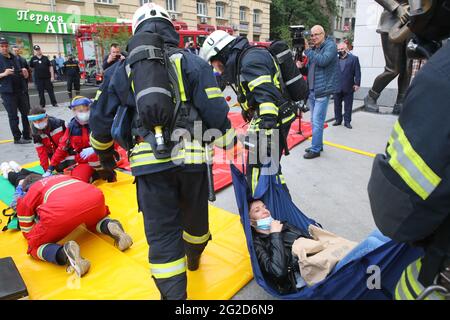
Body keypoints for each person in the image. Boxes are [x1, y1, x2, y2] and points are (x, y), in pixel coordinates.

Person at [89, 3, 237, 300]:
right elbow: (215, 109)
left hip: (148, 164)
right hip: (192, 159)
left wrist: (105, 156)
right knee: (195, 223)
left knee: (162, 234)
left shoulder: (122, 67)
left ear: (136, 31)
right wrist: (228, 142)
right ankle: (193, 256)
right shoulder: (193, 62)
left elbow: (100, 120)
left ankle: (174, 297)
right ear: (171, 28)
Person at [367, 0, 450, 300]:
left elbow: (393, 210)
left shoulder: (441, 77)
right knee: (395, 68)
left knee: (398, 69)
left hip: (436, 276)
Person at [200, 30, 307, 194]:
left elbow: (266, 95)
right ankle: (278, 206)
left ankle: (264, 209)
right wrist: (248, 109)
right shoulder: (245, 57)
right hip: (276, 117)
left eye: (214, 63)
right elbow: (255, 91)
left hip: (272, 121)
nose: (217, 69)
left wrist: (264, 130)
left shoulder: (250, 60)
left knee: (258, 170)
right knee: (270, 168)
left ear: (221, 54)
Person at [12, 173, 132, 277]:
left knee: (33, 246)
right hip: (95, 199)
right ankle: (109, 225)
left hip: (61, 213)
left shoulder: (31, 192)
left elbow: (27, 232)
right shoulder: (62, 176)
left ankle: (64, 252)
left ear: (27, 188)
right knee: (95, 220)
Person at [46, 96, 116, 183]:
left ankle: (108, 174)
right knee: (78, 181)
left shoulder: (99, 123)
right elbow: (62, 147)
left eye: (87, 109)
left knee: (95, 158)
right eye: (80, 111)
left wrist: (95, 149)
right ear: (74, 112)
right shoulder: (72, 127)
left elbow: (113, 141)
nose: (84, 113)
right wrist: (50, 168)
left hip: (101, 156)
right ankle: (95, 175)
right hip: (83, 160)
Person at [249, 200, 311, 294]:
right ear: (251, 222)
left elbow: (310, 240)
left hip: (318, 261)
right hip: (303, 283)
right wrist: (275, 234)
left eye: (265, 207)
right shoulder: (257, 244)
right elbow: (278, 272)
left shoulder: (284, 225)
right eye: (257, 210)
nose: (265, 211)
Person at [364, 0, 411, 115]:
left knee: (407, 68)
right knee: (393, 69)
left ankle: (401, 102)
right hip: (392, 22)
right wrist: (397, 8)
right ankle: (371, 96)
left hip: (412, 22)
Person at [301, 25, 338, 159]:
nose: (314, 37)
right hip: (312, 90)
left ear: (324, 34)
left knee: (317, 121)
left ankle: (315, 149)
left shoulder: (330, 46)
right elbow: (309, 69)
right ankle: (318, 144)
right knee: (314, 120)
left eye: (316, 34)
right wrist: (301, 67)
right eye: (312, 35)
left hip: (322, 90)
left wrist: (308, 51)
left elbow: (323, 61)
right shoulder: (315, 49)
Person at [0, 37, 32, 144]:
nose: (4, 48)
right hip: (8, 92)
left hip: (21, 90)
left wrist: (25, 73)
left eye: (5, 46)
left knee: (26, 113)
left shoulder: (15, 58)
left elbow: (23, 74)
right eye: (2, 46)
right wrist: (4, 74)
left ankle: (27, 135)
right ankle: (17, 138)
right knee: (13, 116)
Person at [28, 106, 75, 173]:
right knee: (60, 169)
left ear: (46, 117)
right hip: (54, 157)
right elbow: (42, 154)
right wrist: (46, 170)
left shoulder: (61, 124)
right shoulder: (35, 134)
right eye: (35, 121)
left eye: (40, 120)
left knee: (73, 168)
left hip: (69, 152)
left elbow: (74, 139)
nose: (38, 123)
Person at [333, 42, 361, 129]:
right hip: (336, 86)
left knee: (348, 106)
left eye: (342, 49)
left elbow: (358, 72)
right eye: (338, 49)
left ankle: (347, 121)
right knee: (337, 105)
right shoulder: (335, 60)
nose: (340, 51)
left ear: (346, 49)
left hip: (349, 86)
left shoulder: (354, 59)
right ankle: (338, 120)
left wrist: (357, 83)